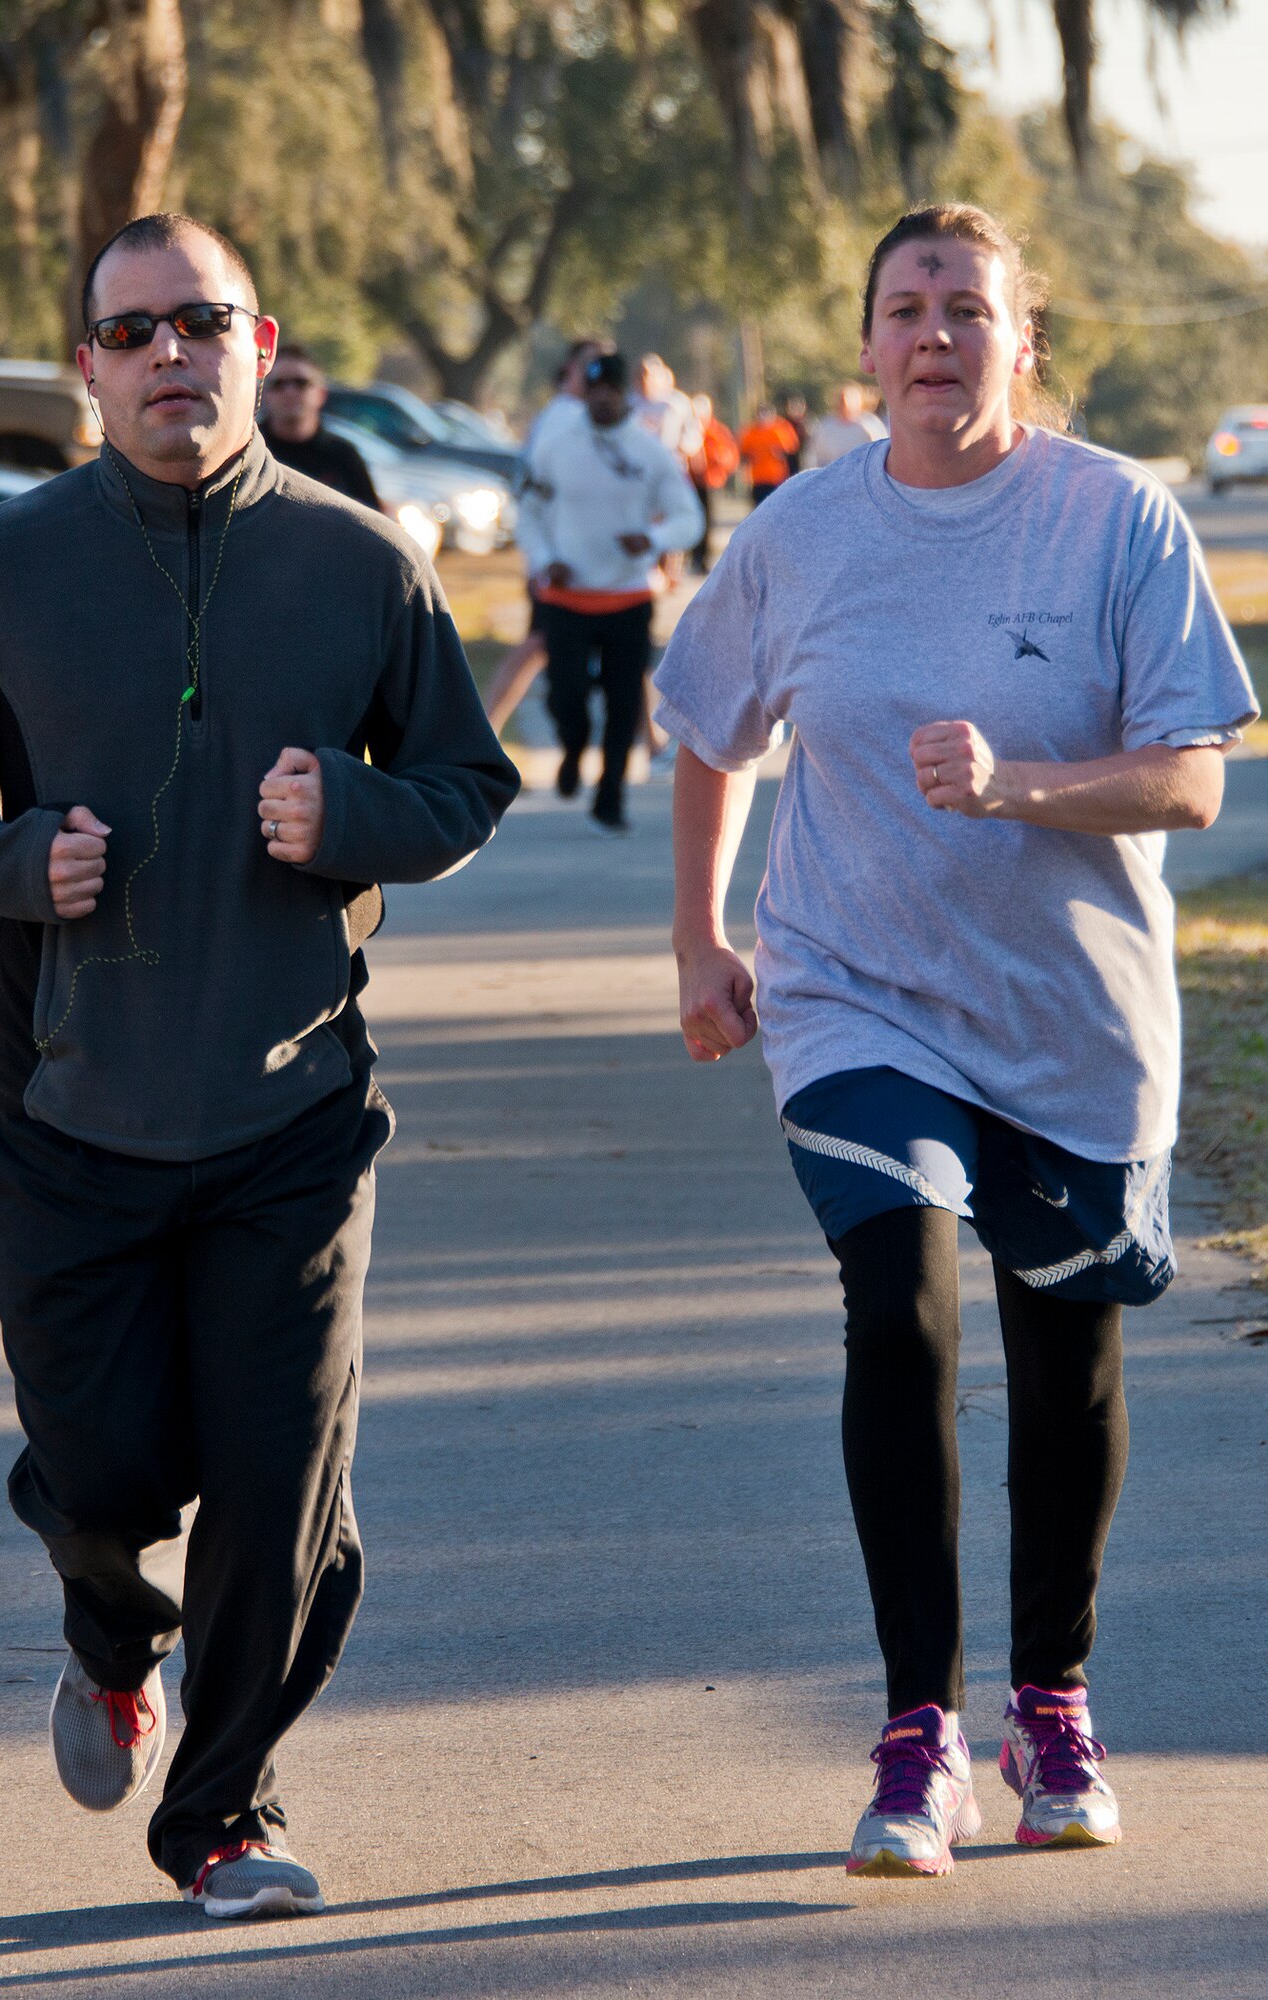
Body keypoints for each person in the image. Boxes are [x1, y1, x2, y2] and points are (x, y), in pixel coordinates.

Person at [0, 212, 519, 1918]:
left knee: (284, 1491)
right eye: (130, 332)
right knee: (102, 1471)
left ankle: (223, 1811)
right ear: (86, 367)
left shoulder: (363, 558)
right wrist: (10, 862)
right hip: (70, 1113)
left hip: (291, 1113)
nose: (167, 357)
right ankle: (102, 1626)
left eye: (196, 323)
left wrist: (350, 816)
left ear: (256, 338)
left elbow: (463, 781)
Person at [654, 202, 1255, 1880]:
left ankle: (1047, 1699)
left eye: (964, 308)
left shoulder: (1112, 519)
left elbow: (1191, 776)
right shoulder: (798, 532)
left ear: (1019, 338)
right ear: (860, 349)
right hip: (854, 993)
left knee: (1063, 1366)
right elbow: (709, 725)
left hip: (1067, 1017)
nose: (932, 334)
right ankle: (915, 1738)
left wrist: (1015, 787)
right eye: (903, 307)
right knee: (896, 1300)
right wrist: (703, 937)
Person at [517, 349, 701, 832]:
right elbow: (529, 510)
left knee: (624, 703)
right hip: (566, 596)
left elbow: (689, 518)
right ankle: (573, 748)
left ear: (627, 395)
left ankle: (610, 795)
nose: (600, 399)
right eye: (592, 390)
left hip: (628, 597)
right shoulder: (558, 445)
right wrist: (544, 561)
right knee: (566, 696)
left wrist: (655, 540)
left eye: (610, 391)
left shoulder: (648, 452)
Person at [483, 337, 611, 736]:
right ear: (570, 371)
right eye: (590, 366)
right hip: (561, 560)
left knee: (558, 646)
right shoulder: (566, 417)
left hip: (571, 556)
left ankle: (480, 733)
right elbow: (546, 490)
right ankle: (479, 735)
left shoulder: (568, 414)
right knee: (540, 646)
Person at [259, 344, 380, 507]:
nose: (290, 392)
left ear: (321, 394)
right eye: (279, 384)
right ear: (263, 394)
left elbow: (370, 519)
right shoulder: (249, 451)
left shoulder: (343, 456)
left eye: (300, 383)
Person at [687, 393, 740, 575]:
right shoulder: (688, 429)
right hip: (690, 482)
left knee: (708, 521)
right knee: (693, 520)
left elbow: (730, 455)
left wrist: (717, 461)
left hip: (710, 481)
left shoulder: (717, 431)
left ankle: (704, 558)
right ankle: (693, 557)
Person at [806, 381, 888, 466]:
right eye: (843, 398)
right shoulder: (826, 426)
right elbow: (817, 455)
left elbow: (881, 452)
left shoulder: (870, 425)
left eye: (850, 398)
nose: (846, 402)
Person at [738, 403, 801, 505]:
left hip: (777, 477)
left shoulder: (781, 429)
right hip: (758, 478)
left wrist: (780, 453)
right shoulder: (751, 432)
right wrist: (751, 456)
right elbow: (744, 454)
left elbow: (792, 450)